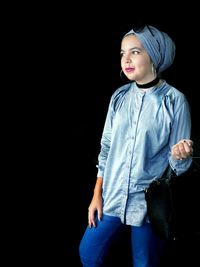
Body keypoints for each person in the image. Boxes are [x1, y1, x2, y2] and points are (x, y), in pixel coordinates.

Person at [79, 25, 194, 267]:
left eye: (135, 52)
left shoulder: (175, 100)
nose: (126, 59)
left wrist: (180, 155)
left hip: (147, 204)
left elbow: (178, 168)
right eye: (122, 53)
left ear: (154, 55)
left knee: (144, 263)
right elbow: (107, 147)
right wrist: (96, 194)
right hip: (112, 196)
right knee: (88, 254)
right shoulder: (119, 97)